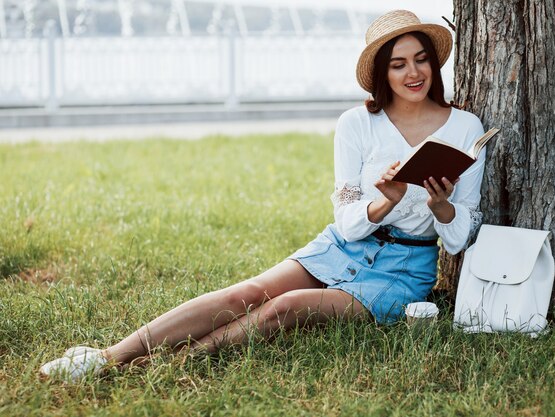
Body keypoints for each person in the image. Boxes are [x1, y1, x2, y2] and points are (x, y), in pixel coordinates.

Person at [40, 9, 486, 382]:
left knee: (286, 307)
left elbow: (457, 239)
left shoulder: (465, 128)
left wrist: (441, 207)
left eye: (421, 60)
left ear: (434, 64)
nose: (413, 73)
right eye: (398, 63)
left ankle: (177, 364)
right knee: (246, 293)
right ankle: (107, 357)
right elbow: (348, 218)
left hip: (404, 270)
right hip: (342, 245)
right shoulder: (356, 124)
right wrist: (384, 200)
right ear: (381, 74)